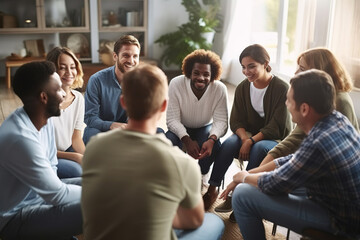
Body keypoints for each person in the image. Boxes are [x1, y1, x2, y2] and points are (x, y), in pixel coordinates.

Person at [81, 64, 225, 240]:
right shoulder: (183, 163)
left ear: (123, 102)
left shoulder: (94, 147)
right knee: (214, 221)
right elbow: (193, 220)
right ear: (164, 106)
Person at [216, 47, 360, 217]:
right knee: (233, 148)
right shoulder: (321, 119)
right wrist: (249, 175)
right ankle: (220, 190)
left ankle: (244, 204)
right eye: (243, 67)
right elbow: (292, 149)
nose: (296, 72)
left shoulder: (328, 121)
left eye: (303, 68)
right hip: (326, 181)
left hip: (333, 196)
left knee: (249, 187)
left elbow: (287, 160)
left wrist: (246, 179)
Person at [0, 61, 82, 240]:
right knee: (103, 203)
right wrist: (106, 191)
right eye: (59, 89)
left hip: (39, 199)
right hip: (14, 218)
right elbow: (57, 195)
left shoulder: (44, 120)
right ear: (44, 97)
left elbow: (52, 169)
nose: (63, 94)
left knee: (96, 183)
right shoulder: (20, 138)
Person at [209, 44, 292, 211]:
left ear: (265, 63)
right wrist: (245, 139)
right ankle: (212, 188)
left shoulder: (282, 88)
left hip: (273, 138)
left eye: (252, 66)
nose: (247, 71)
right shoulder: (242, 88)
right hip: (249, 135)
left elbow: (277, 126)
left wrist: (251, 141)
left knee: (258, 148)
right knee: (229, 144)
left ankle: (240, 196)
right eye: (243, 67)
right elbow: (236, 121)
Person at [257, 47, 359, 168]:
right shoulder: (314, 96)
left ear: (319, 72)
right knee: (260, 152)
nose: (295, 73)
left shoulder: (340, 101)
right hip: (308, 156)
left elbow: (337, 153)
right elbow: (296, 137)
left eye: (302, 69)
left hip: (325, 169)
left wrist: (253, 175)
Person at [165, 49, 228, 210]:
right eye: (196, 73)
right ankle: (174, 184)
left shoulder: (219, 88)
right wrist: (186, 139)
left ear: (212, 74)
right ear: (189, 72)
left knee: (213, 142)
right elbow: (171, 119)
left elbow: (221, 121)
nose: (201, 78)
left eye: (206, 74)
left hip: (203, 127)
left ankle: (201, 177)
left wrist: (212, 139)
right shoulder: (176, 83)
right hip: (180, 126)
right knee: (168, 140)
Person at [83, 35, 140, 144]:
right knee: (91, 135)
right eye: (126, 55)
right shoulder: (96, 80)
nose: (131, 61)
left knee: (159, 132)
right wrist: (111, 125)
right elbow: (89, 117)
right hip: (103, 129)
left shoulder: (142, 81)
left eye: (135, 56)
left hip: (130, 128)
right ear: (115, 56)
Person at [47, 46, 85, 178]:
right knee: (77, 172)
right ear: (52, 71)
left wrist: (87, 158)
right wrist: (75, 157)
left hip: (67, 149)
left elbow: (76, 139)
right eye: (62, 68)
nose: (69, 72)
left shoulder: (79, 98)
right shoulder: (44, 100)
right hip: (49, 156)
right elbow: (42, 148)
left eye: (73, 67)